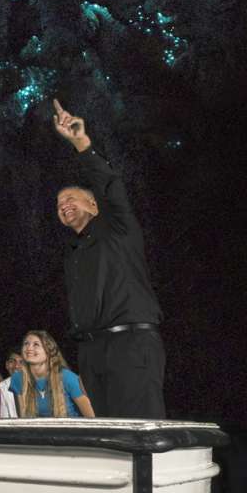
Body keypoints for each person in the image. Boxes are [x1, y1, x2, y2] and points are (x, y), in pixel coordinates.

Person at [51, 99, 167, 418]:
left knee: (137, 430)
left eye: (71, 198)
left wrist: (81, 143)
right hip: (91, 351)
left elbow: (110, 185)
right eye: (59, 205)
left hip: (130, 343)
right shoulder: (74, 253)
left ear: (94, 205)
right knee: (107, 433)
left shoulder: (118, 227)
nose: (64, 206)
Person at [10, 330, 95, 417]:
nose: (29, 348)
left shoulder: (67, 377)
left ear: (49, 351)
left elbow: (91, 418)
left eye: (36, 344)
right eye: (26, 344)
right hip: (37, 430)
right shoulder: (18, 378)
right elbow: (22, 418)